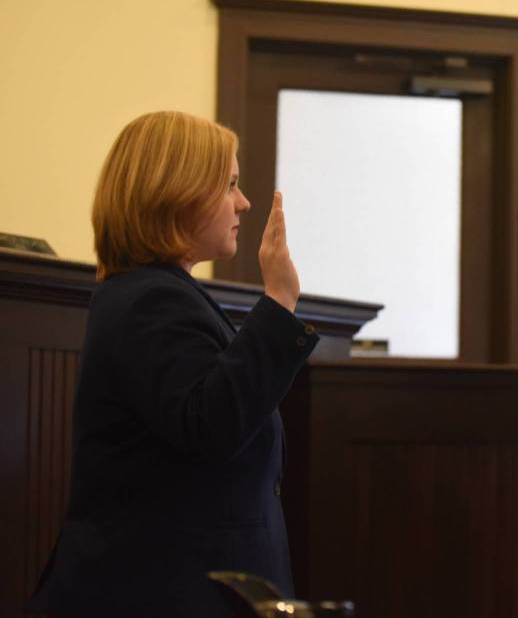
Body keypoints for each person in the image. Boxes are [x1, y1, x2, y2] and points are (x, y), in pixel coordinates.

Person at [27, 111, 319, 617]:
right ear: (178, 192)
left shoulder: (162, 293)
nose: (244, 202)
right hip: (162, 593)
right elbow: (213, 425)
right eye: (229, 184)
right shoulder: (151, 300)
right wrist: (278, 301)